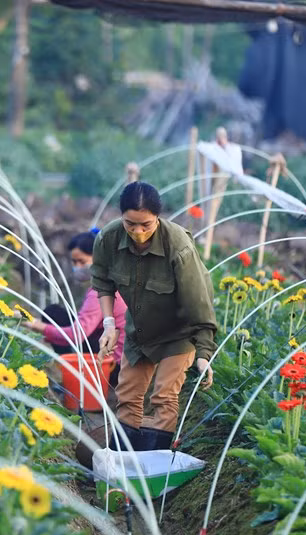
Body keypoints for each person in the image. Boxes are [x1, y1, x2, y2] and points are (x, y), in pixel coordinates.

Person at [91, 181, 217, 452]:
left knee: (163, 397)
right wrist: (109, 324)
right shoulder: (108, 239)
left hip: (179, 332)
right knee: (127, 394)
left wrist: (204, 353)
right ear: (121, 216)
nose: (137, 232)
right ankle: (122, 464)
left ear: (157, 217)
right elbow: (102, 282)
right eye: (130, 224)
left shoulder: (178, 246)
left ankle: (152, 466)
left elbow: (198, 302)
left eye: (146, 225)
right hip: (141, 330)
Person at [22, 231, 127, 385]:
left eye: (82, 261)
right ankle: (70, 371)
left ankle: (72, 378)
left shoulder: (100, 292)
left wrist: (37, 325)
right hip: (118, 359)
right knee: (56, 315)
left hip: (113, 368)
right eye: (74, 262)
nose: (77, 267)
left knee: (53, 315)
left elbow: (76, 335)